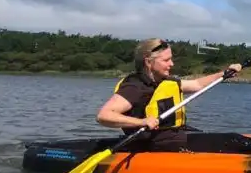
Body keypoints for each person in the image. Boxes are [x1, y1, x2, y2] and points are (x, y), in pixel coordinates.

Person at [95, 37, 243, 151]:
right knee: (233, 142)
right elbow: (104, 116)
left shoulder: (166, 81)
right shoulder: (135, 86)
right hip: (152, 144)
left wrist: (224, 73)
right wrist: (142, 122)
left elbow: (197, 84)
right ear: (148, 62)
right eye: (166, 60)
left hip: (175, 137)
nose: (171, 64)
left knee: (241, 140)